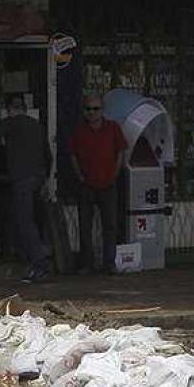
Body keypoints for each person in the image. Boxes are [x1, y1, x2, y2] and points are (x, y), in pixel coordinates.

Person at [0, 94, 51, 283]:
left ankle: (38, 264)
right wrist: (45, 178)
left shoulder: (11, 123)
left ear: (9, 110)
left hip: (21, 178)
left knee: (24, 222)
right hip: (37, 178)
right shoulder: (37, 126)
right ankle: (38, 259)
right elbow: (48, 155)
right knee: (33, 220)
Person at [69, 93, 127, 274]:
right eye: (89, 109)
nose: (92, 112)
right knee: (85, 225)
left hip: (108, 183)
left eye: (96, 109)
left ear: (102, 110)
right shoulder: (79, 131)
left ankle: (109, 263)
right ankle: (87, 264)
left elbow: (120, 152)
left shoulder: (113, 128)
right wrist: (80, 176)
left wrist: (114, 174)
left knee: (110, 225)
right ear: (83, 111)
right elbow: (73, 155)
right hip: (87, 185)